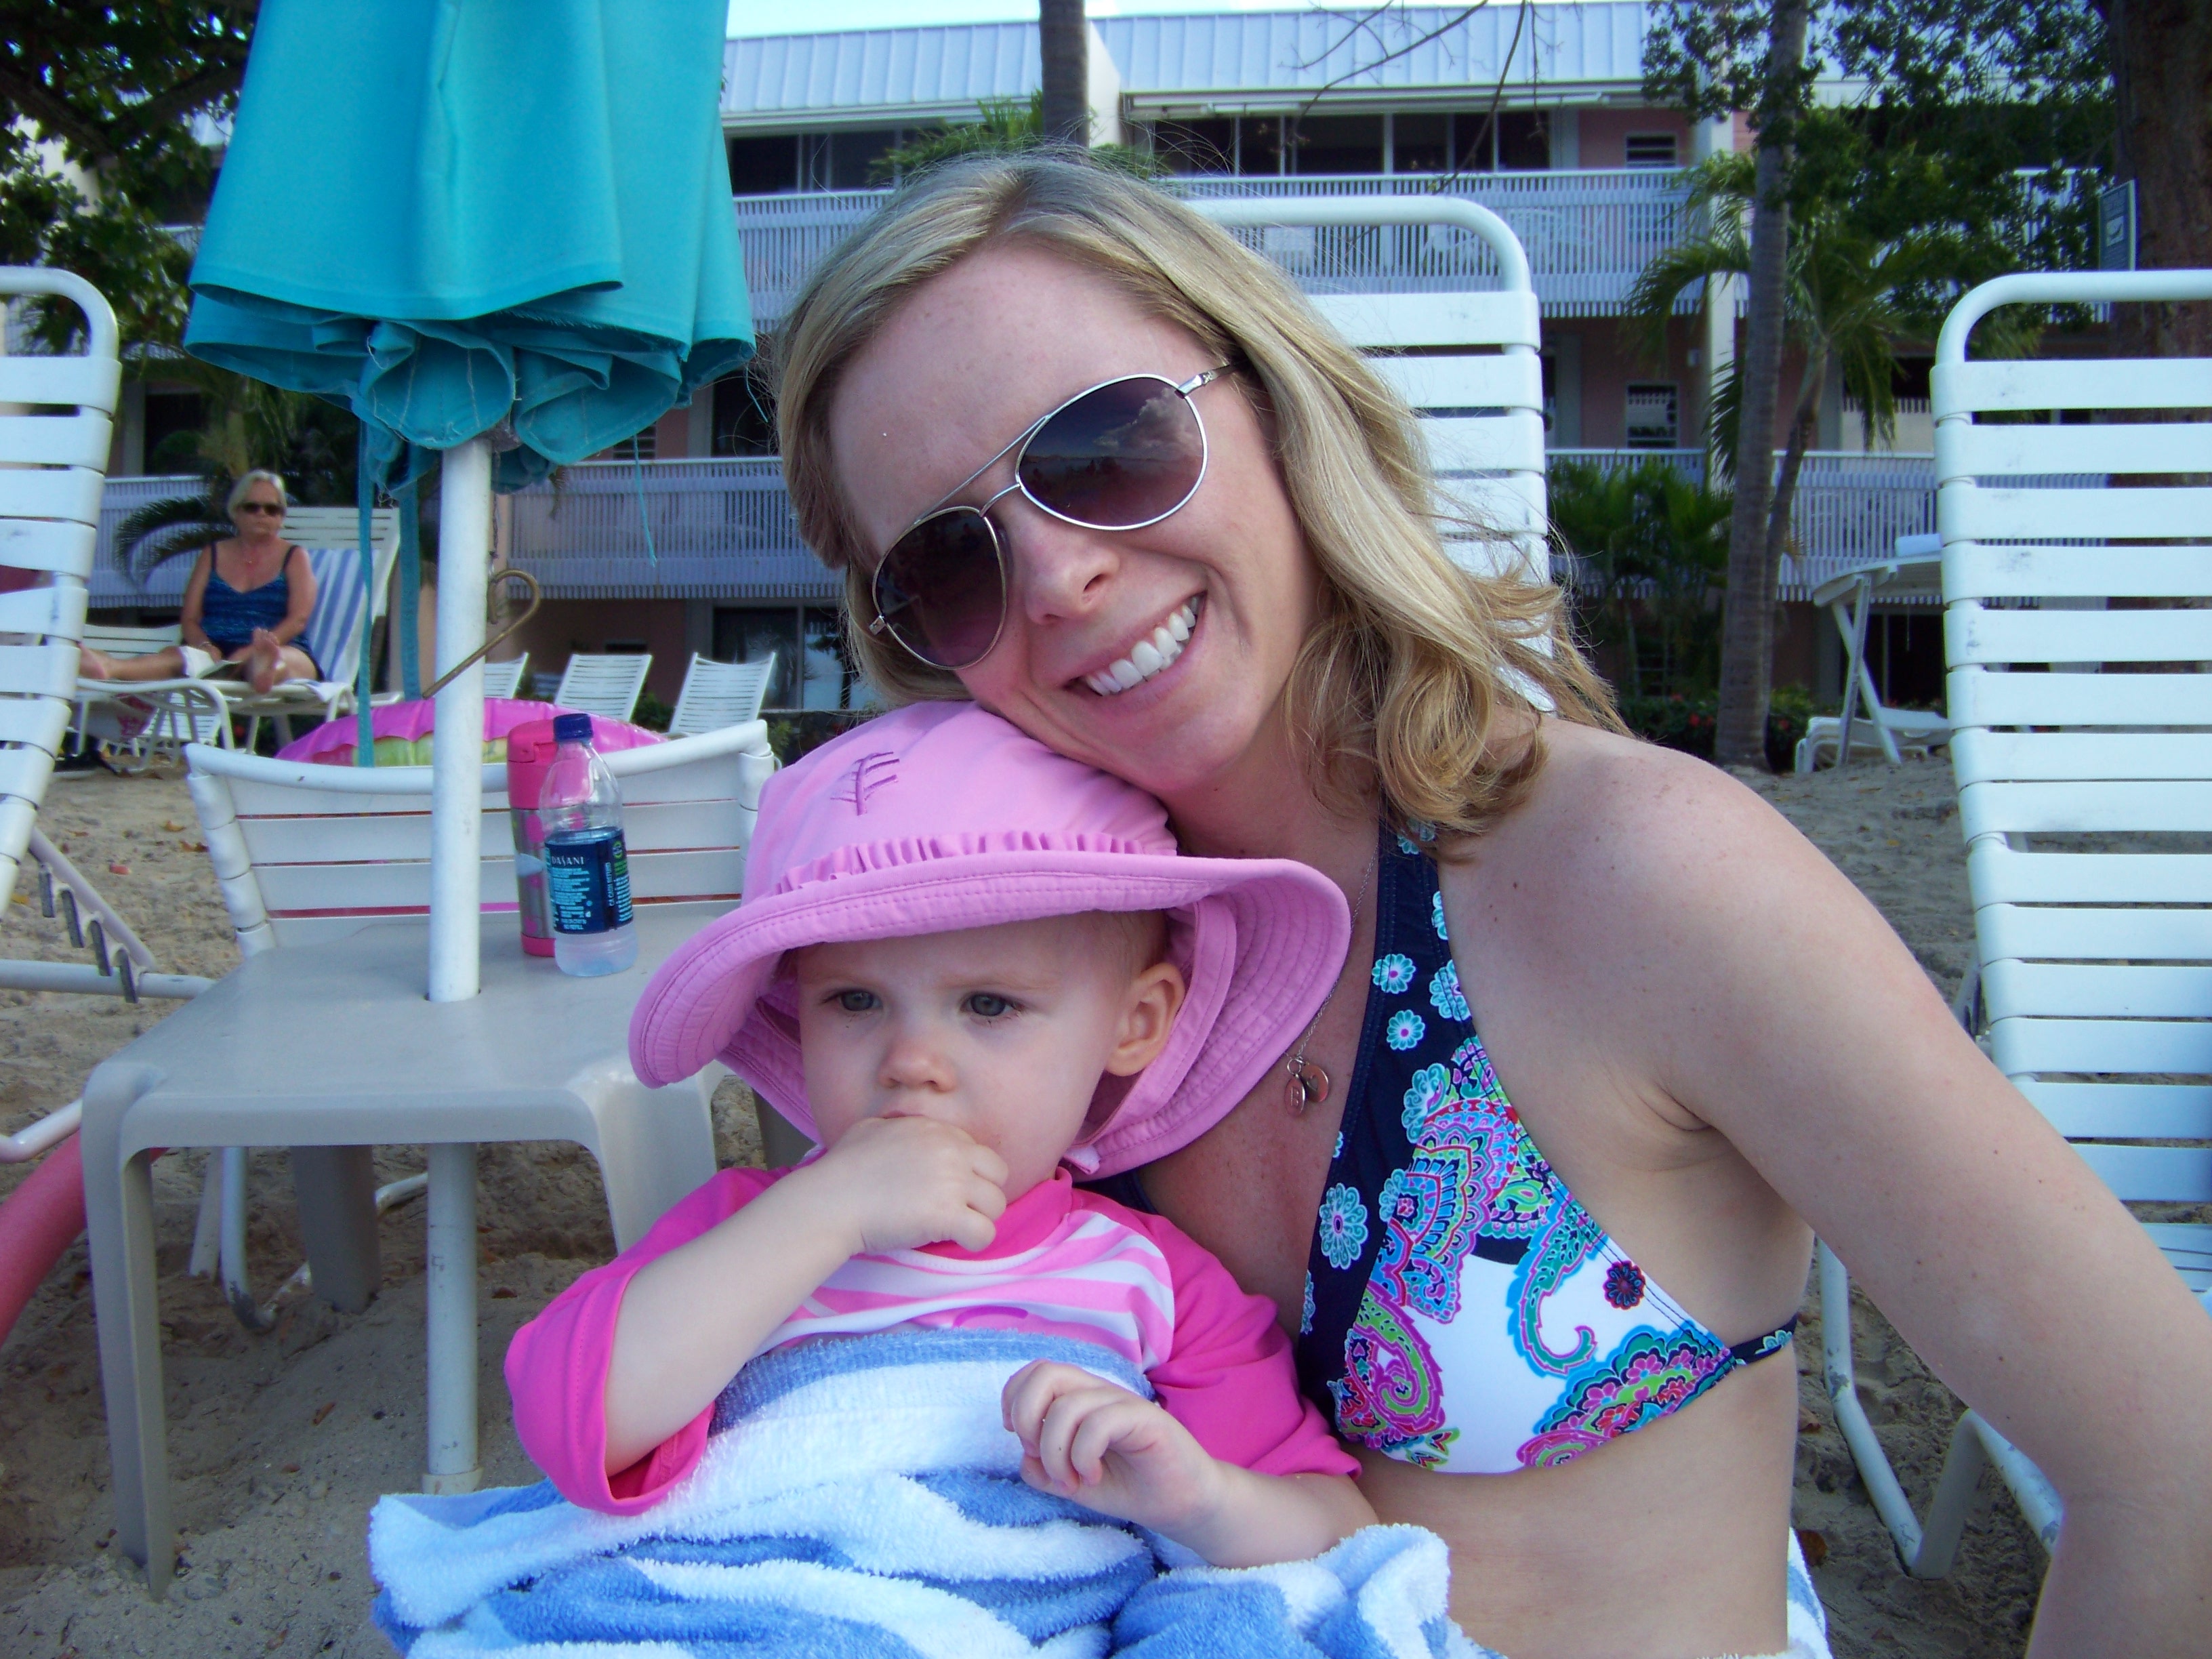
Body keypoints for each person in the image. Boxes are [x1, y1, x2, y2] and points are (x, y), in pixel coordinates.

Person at [764, 153, 2212, 1658]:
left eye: (1104, 448)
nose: (1057, 577)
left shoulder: (1638, 876)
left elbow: (2172, 1467)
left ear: (1278, 402)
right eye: (949, 562)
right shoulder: (973, 969)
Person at [511, 699, 1376, 1572]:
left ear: (1136, 1023)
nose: (911, 1062)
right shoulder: (746, 1231)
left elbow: (1337, 1533)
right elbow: (568, 1424)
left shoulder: (1153, 1283)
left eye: (989, 1005)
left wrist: (1204, 1499)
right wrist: (821, 1215)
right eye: (855, 1000)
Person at [79, 468, 319, 694]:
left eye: (272, 509)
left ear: (281, 517)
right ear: (236, 512)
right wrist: (204, 646)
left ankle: (264, 669)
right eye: (252, 507)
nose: (262, 514)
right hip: (215, 656)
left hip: (277, 645)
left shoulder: (294, 557)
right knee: (176, 659)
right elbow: (190, 618)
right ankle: (107, 666)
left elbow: (298, 619)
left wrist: (254, 650)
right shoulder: (213, 554)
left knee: (281, 660)